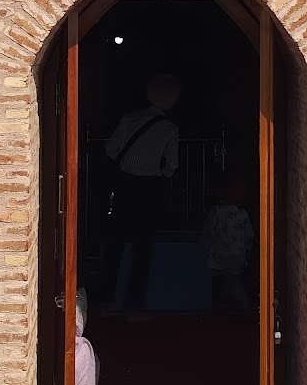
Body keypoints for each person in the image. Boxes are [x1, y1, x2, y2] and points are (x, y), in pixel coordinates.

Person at [102, 73, 181, 310]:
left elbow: (110, 149)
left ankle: (106, 297)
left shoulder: (129, 119)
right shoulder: (169, 128)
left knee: (115, 242)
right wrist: (162, 174)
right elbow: (173, 165)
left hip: (125, 184)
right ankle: (134, 304)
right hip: (150, 188)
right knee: (143, 247)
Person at [200, 176, 254, 311]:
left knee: (231, 280)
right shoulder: (242, 214)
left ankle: (245, 306)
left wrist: (205, 244)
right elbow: (249, 235)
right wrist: (248, 248)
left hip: (221, 252)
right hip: (238, 253)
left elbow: (209, 231)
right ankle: (226, 305)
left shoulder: (217, 212)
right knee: (230, 278)